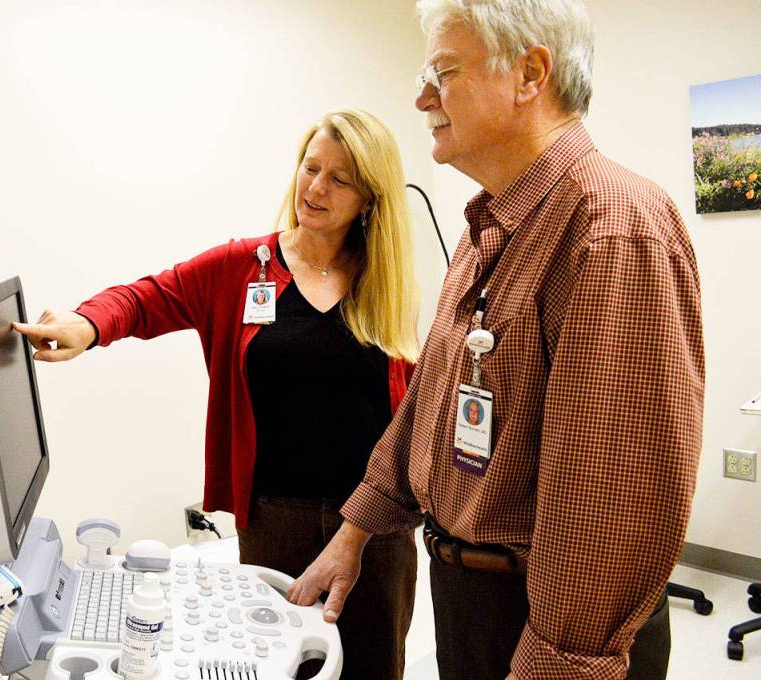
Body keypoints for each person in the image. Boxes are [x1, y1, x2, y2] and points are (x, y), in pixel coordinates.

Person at [287, 3, 705, 680]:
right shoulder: (488, 229)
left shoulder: (611, 230)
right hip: (473, 600)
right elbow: (429, 409)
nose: (422, 97)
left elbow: (610, 503)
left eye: (443, 73)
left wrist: (557, 663)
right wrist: (354, 532)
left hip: (547, 629)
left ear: (530, 74)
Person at [13, 109, 422, 680]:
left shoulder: (386, 283)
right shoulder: (243, 267)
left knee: (372, 669)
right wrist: (87, 325)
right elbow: (147, 297)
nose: (316, 187)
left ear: (370, 199)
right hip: (275, 521)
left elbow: (407, 414)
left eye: (340, 179)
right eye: (310, 168)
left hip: (374, 528)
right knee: (275, 666)